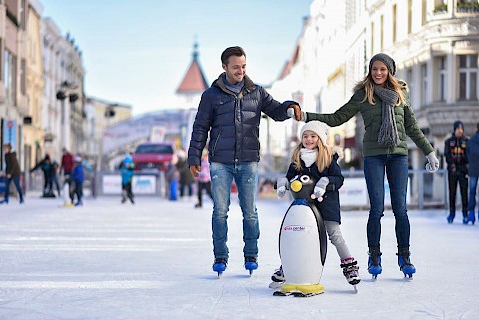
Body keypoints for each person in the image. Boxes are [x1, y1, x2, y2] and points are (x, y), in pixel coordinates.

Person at [297, 53, 439, 278]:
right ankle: (374, 256)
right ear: (370, 71)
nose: (378, 73)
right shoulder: (364, 94)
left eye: (383, 69)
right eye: (375, 69)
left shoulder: (401, 94)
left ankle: (404, 256)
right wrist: (306, 115)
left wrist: (429, 151)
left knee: (401, 210)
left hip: (399, 156)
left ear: (390, 71)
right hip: (373, 156)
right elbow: (337, 118)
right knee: (376, 209)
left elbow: (412, 127)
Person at [187, 46, 303, 275]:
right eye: (235, 67)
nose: (240, 71)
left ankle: (251, 254)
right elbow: (200, 128)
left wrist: (290, 105)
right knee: (220, 210)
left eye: (243, 66)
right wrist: (194, 156)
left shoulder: (256, 92)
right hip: (220, 161)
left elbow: (276, 111)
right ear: (224, 67)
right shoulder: (211, 96)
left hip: (248, 160)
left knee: (250, 211)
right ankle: (220, 257)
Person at [272, 121, 360, 287]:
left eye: (313, 136)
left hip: (327, 205)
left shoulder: (328, 157)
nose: (309, 139)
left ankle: (349, 267)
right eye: (305, 136)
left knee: (334, 234)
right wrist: (283, 182)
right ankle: (288, 267)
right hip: (304, 207)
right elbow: (290, 177)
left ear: (320, 139)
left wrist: (326, 181)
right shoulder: (297, 158)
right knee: (299, 236)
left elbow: (339, 179)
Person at [445, 121, 469, 224]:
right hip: (452, 171)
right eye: (458, 129)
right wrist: (452, 165)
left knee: (464, 193)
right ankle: (452, 214)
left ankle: (465, 214)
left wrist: (466, 166)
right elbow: (447, 155)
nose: (460, 131)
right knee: (452, 193)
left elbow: (468, 156)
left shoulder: (466, 141)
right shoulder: (449, 141)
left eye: (461, 129)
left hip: (463, 171)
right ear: (454, 130)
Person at [466, 123, 479, 225]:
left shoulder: (471, 141)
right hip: (474, 169)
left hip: (473, 170)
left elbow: (467, 156)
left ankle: (471, 214)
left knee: (472, 191)